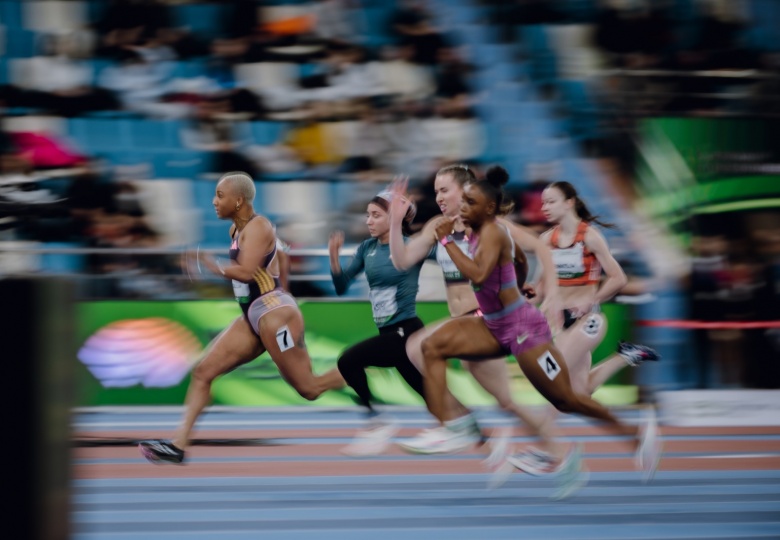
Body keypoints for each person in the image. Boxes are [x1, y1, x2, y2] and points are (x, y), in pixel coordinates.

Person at [413, 167, 662, 492]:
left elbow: (478, 273)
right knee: (430, 346)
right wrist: (521, 284)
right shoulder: (470, 230)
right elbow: (518, 263)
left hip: (523, 331)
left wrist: (445, 239)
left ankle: (634, 434)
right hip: (491, 325)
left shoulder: (493, 231)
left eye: (469, 202)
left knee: (566, 399)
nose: (462, 207)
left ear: (487, 208)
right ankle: (454, 425)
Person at [139, 171, 345, 464]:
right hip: (253, 316)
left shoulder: (259, 226)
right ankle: (178, 445)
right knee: (203, 372)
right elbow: (282, 254)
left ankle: (360, 370)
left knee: (309, 389)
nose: (213, 202)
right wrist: (285, 289)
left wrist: (211, 266)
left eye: (220, 196)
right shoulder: (237, 231)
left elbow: (247, 272)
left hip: (274, 317)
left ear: (238, 201)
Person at [387, 164, 566, 463]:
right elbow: (402, 260)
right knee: (506, 401)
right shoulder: (438, 226)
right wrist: (395, 222)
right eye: (435, 192)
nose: (439, 197)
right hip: (467, 323)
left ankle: (458, 425)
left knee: (417, 347)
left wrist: (551, 292)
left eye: (445, 190)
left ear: (467, 190)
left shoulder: (491, 226)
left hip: (486, 319)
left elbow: (542, 248)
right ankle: (560, 453)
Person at [507, 181, 660, 474]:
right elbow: (539, 288)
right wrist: (526, 296)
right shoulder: (546, 239)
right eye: (542, 203)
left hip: (588, 320)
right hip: (555, 324)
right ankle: (626, 357)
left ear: (570, 202)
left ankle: (546, 450)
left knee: (553, 376)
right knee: (575, 396)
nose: (544, 208)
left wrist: (592, 298)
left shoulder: (590, 237)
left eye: (550, 202)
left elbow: (618, 278)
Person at [329, 190, 478, 456]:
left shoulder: (412, 246)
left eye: (376, 215)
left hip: (406, 331)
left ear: (395, 218)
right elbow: (341, 287)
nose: (368, 221)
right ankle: (480, 436)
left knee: (348, 360)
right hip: (388, 332)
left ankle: (378, 423)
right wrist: (333, 258)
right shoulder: (367, 248)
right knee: (434, 400)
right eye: (367, 215)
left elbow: (452, 261)